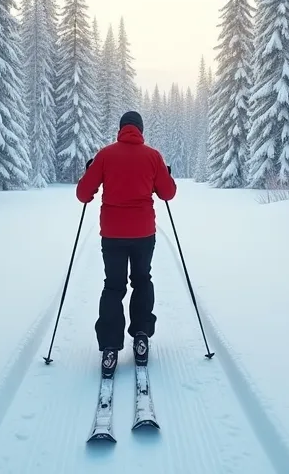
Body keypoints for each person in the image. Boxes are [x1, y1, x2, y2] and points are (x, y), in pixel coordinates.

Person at [75, 110, 177, 378]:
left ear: (120, 129)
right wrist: (164, 174)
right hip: (143, 234)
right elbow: (168, 193)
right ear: (140, 130)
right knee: (142, 280)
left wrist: (89, 172)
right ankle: (141, 336)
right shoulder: (153, 156)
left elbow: (83, 194)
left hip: (112, 235)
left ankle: (110, 347)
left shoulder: (105, 155)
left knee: (113, 286)